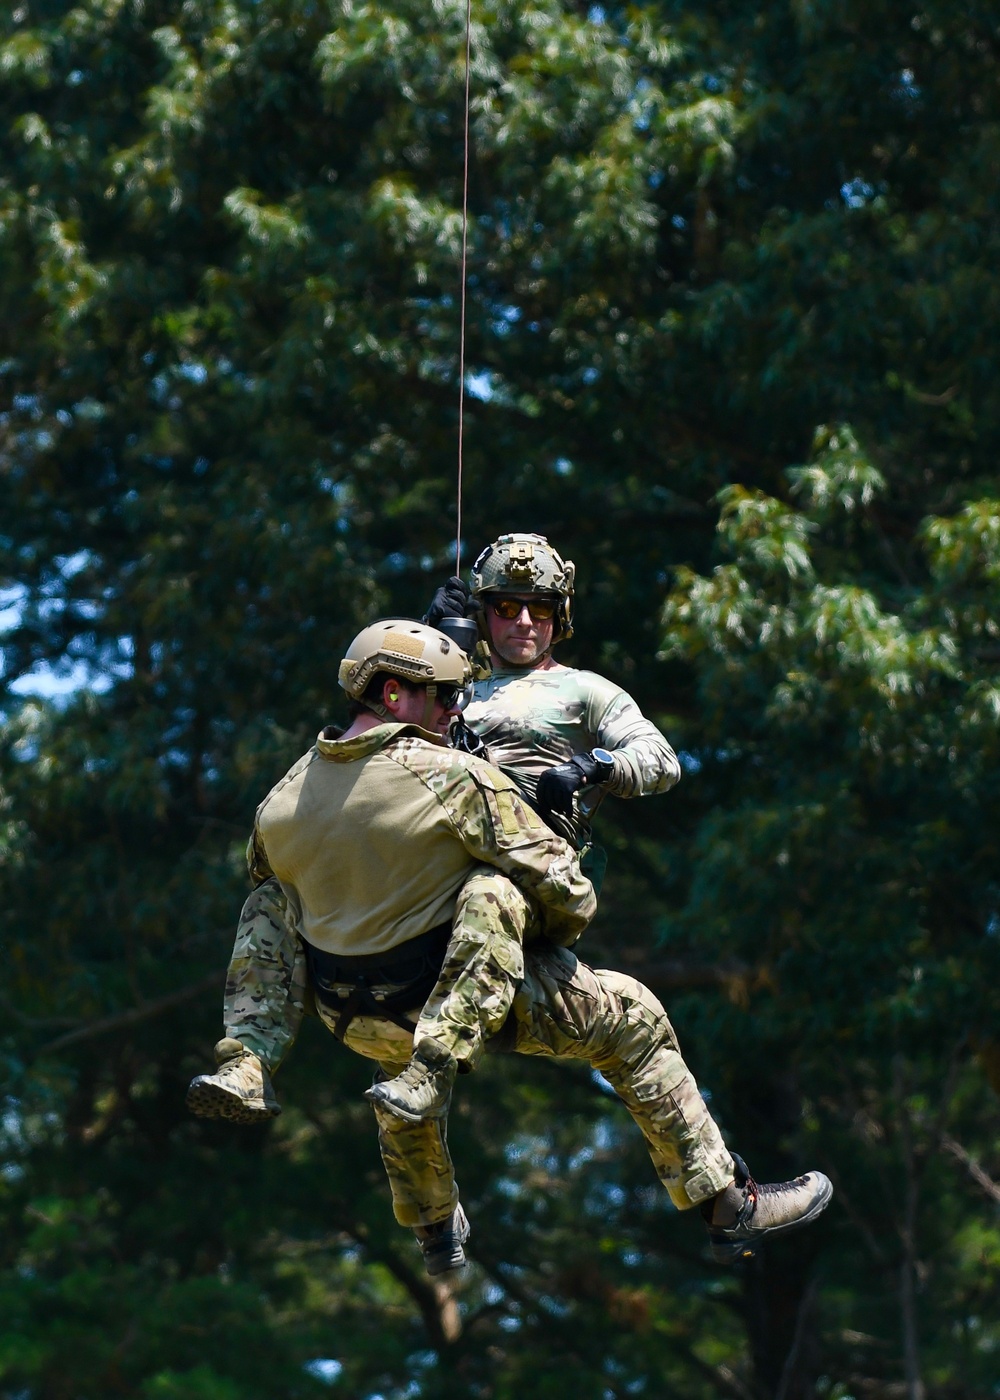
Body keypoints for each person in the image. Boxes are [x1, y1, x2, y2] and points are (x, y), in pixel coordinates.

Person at [189, 620, 833, 1275]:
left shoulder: (280, 800)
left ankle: (270, 1079)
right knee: (628, 1013)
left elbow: (281, 896)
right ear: (391, 694)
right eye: (443, 698)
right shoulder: (454, 776)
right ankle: (729, 1206)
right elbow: (569, 900)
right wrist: (559, 840)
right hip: (465, 1003)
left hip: (350, 1013)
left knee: (285, 925)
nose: (453, 713)